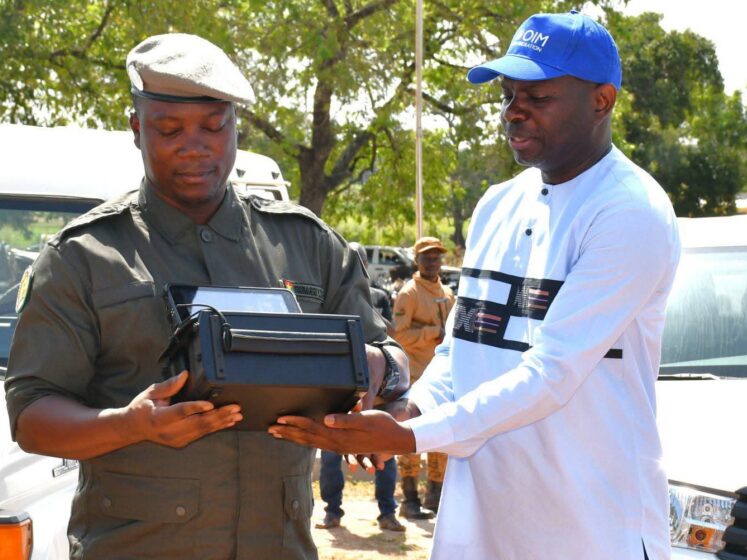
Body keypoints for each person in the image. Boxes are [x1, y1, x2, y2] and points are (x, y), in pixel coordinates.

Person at [269, 11, 680, 560]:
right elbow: (464, 351)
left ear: (602, 100)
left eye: (537, 97)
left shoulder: (631, 212)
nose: (515, 112)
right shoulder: (497, 204)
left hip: (591, 529)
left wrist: (410, 438)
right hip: (481, 525)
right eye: (509, 95)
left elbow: (550, 376)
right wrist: (407, 412)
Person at [4, 33, 409, 560]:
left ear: (235, 128)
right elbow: (32, 415)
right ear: (136, 129)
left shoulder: (307, 244)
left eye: (215, 127)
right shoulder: (85, 256)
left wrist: (385, 385)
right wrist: (130, 424)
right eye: (169, 129)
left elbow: (387, 356)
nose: (195, 146)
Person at [315, 241, 404, 532]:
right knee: (331, 454)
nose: (357, 267)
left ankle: (388, 512)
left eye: (361, 262)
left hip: (375, 389)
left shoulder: (379, 296)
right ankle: (332, 511)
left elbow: (392, 331)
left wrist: (371, 321)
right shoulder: (329, 295)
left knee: (381, 451)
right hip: (336, 387)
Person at [392, 237, 455, 517]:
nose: (433, 262)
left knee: (442, 438)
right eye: (427, 257)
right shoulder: (409, 293)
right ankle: (409, 500)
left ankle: (435, 497)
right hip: (416, 378)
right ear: (416, 260)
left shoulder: (448, 293)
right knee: (412, 438)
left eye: (437, 257)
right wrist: (430, 333)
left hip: (443, 378)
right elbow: (398, 335)